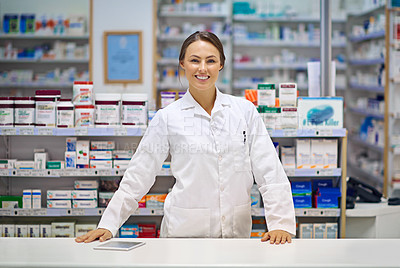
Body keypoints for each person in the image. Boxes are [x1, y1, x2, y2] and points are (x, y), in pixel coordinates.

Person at [75, 31, 296, 245]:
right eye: (194, 60)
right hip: (184, 235)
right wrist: (109, 224)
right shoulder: (168, 117)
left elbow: (269, 170)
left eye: (210, 60)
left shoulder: (244, 111)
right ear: (182, 64)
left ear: (221, 64)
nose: (202, 68)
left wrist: (281, 224)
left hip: (236, 234)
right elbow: (139, 174)